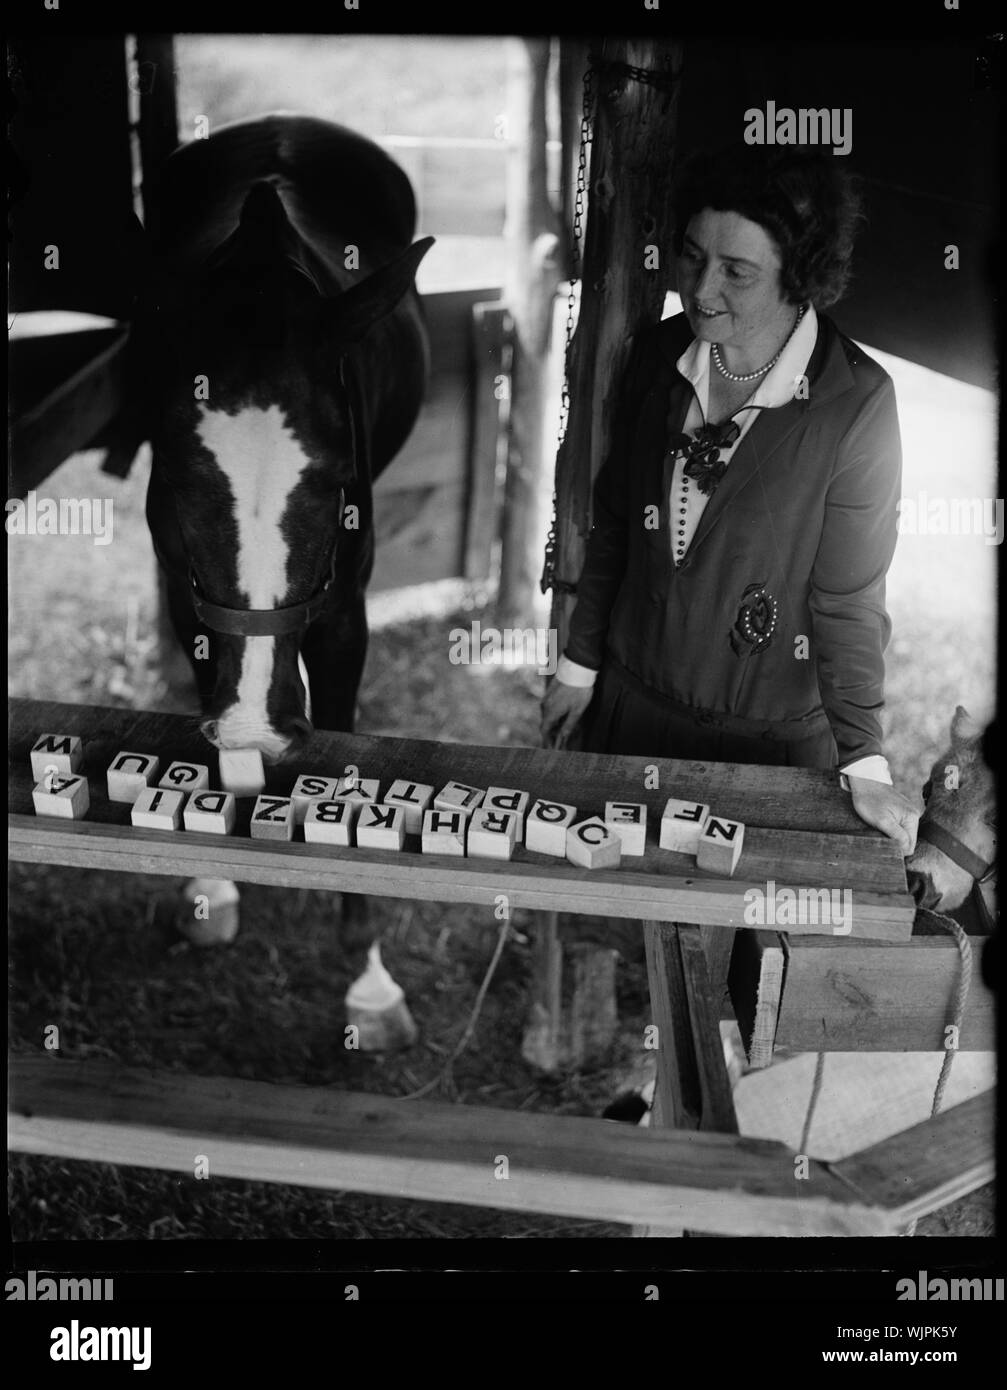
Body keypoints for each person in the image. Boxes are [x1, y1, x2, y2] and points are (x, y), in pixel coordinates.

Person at [541, 145, 919, 855]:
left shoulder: (854, 403)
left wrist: (863, 760)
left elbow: (847, 600)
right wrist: (578, 666)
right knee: (616, 909)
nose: (700, 288)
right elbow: (617, 528)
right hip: (632, 711)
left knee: (744, 950)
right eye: (691, 256)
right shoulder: (658, 359)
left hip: (766, 746)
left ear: (799, 274)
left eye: (736, 272)